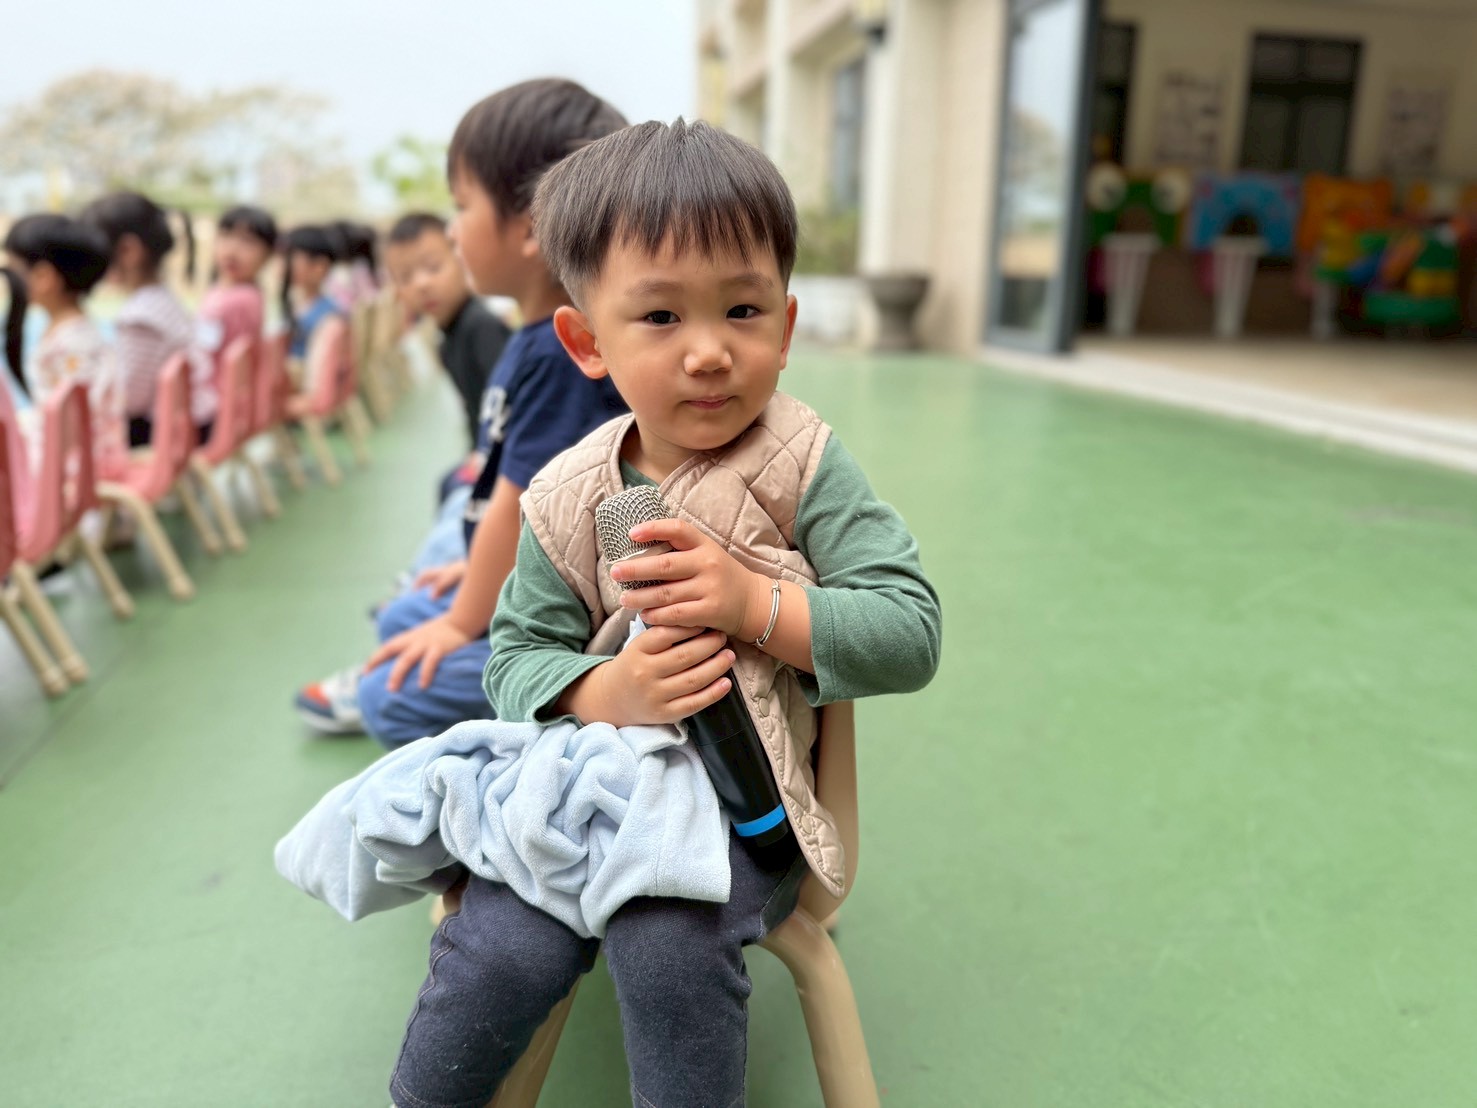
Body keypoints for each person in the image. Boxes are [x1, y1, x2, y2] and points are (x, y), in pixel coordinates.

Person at [386, 118, 942, 1108]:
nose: (709, 352)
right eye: (659, 317)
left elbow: (909, 631)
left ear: (786, 324)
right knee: (498, 939)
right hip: (587, 801)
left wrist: (754, 603)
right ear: (585, 341)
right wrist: (604, 690)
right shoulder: (566, 496)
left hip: (748, 816)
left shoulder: (802, 465)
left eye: (742, 309)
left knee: (665, 940)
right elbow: (515, 658)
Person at [292, 79, 629, 743]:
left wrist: (459, 622)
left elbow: (521, 505)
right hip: (536, 587)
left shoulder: (559, 355)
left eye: (461, 206)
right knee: (405, 616)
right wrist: (474, 567)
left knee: (392, 697)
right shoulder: (532, 337)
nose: (452, 229)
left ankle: (537, 738)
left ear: (529, 227)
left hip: (571, 628)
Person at [81, 191, 216, 446]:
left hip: (170, 434)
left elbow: (130, 401)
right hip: (195, 422)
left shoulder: (140, 317)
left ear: (128, 251)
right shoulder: (162, 299)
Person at [2, 214, 126, 477]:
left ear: (44, 277)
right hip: (78, 460)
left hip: (69, 473)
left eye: (13, 269)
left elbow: (69, 428)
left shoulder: (71, 345)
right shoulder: (75, 331)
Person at [382, 211, 510, 453]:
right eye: (405, 277)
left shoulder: (482, 328)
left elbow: (511, 411)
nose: (422, 284)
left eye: (433, 268)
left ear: (462, 260)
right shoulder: (446, 341)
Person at [197, 204, 277, 368]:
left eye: (247, 241)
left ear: (268, 254)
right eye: (226, 236)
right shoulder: (220, 290)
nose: (232, 251)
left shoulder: (243, 300)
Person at [279, 225, 343, 362]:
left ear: (320, 267)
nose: (284, 265)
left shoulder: (330, 314)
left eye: (291, 258)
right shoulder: (292, 303)